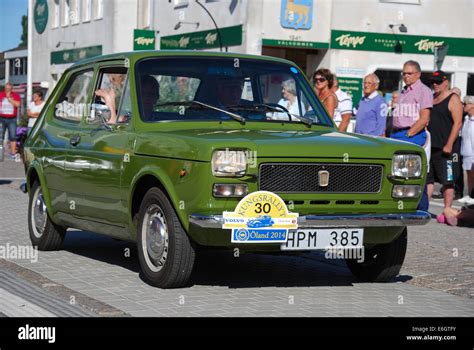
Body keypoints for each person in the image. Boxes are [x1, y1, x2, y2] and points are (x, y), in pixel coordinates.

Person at [391, 60, 433, 211]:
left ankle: (421, 207)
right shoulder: (404, 91)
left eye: (409, 73)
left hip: (411, 134)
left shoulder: (423, 91)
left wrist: (408, 135)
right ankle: (398, 203)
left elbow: (424, 119)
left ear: (418, 74)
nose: (406, 76)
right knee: (396, 173)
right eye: (404, 73)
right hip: (397, 133)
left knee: (413, 172)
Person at [426, 71, 463, 214]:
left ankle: (447, 209)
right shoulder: (432, 98)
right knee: (428, 180)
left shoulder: (453, 99)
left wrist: (449, 144)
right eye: (432, 82)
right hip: (431, 146)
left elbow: (458, 123)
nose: (435, 84)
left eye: (438, 82)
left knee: (447, 180)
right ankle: (425, 207)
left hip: (446, 148)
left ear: (446, 82)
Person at [458, 95, 474, 205]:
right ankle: (469, 194)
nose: (463, 105)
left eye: (465, 104)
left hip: (473, 152)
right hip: (466, 151)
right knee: (469, 174)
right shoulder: (466, 118)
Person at [0, 82, 21, 158]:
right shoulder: (1, 94)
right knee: (0, 136)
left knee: (12, 136)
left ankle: (13, 153)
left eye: (9, 89)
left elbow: (18, 104)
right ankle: (1, 152)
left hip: (12, 119)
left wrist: (9, 98)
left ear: (12, 89)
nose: (7, 90)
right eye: (6, 88)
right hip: (1, 118)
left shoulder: (16, 95)